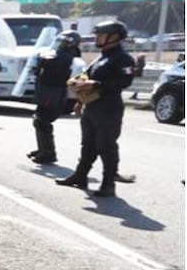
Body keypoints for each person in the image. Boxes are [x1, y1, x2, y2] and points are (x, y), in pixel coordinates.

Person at [56, 19, 135, 198]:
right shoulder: (101, 57)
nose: (97, 38)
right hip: (92, 107)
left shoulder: (123, 58)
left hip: (109, 108)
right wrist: (80, 100)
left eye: (101, 35)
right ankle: (80, 176)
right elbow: (87, 79)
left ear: (114, 36)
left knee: (106, 146)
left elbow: (125, 81)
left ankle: (108, 184)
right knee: (88, 144)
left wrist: (98, 83)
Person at [27, 30, 79, 164]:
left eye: (64, 42)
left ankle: (49, 153)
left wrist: (43, 60)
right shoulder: (58, 54)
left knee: (43, 121)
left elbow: (55, 63)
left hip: (54, 91)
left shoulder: (69, 56)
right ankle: (43, 149)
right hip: (47, 89)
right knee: (38, 119)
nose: (61, 44)